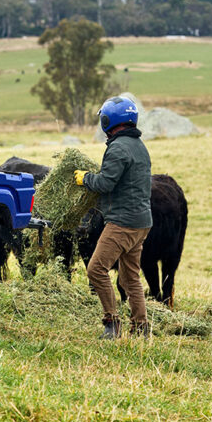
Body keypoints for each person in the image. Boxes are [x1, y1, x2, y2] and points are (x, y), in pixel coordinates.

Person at [74, 96, 152, 338]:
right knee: (131, 278)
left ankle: (112, 323)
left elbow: (105, 183)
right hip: (142, 223)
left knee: (96, 269)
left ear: (109, 121)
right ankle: (141, 328)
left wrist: (84, 178)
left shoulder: (118, 148)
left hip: (122, 223)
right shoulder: (139, 146)